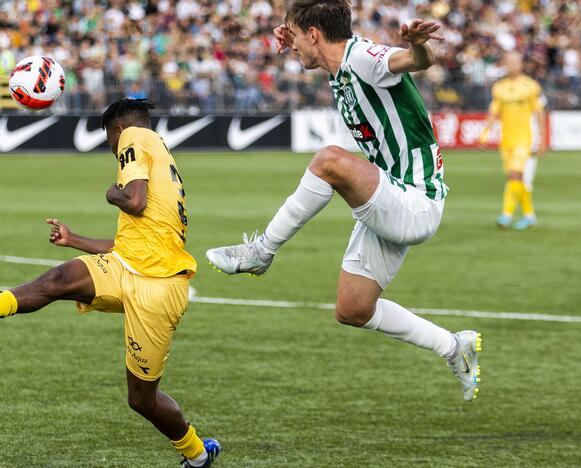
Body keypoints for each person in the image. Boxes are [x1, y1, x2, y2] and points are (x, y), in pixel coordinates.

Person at [205, 0, 481, 401]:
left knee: (329, 161)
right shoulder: (335, 65)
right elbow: (315, 44)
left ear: (315, 34)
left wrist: (420, 46)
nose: (292, 46)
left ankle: (262, 252)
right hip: (390, 192)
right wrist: (292, 33)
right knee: (353, 309)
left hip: (414, 200)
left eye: (298, 37)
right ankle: (455, 347)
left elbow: (414, 61)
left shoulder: (364, 57)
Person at [0, 99, 221, 467]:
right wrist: (75, 240)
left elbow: (133, 201)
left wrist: (111, 193)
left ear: (116, 130)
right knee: (62, 277)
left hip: (158, 285)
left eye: (108, 140)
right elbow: (130, 241)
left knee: (141, 400)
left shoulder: (133, 138)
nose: (111, 148)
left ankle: (196, 453)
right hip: (130, 264)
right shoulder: (159, 154)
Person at [479, 52, 547, 230]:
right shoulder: (499, 87)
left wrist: (542, 139)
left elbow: (539, 113)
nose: (511, 65)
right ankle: (529, 215)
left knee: (515, 174)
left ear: (521, 64)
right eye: (508, 62)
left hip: (525, 138)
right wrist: (485, 133)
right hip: (507, 140)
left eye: (514, 61)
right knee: (518, 178)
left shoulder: (530, 86)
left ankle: (506, 215)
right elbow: (494, 112)